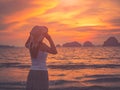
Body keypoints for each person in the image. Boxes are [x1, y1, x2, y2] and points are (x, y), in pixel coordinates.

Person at [25, 25, 57, 90]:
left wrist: (31, 35)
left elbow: (26, 44)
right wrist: (49, 38)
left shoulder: (30, 45)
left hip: (32, 72)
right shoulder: (42, 46)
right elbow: (54, 51)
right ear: (42, 36)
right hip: (42, 72)